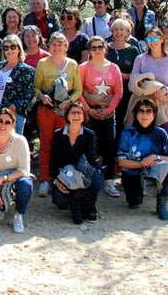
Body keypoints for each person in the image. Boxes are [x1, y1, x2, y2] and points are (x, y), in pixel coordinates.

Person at [33, 32, 83, 196]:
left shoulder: (72, 64)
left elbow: (78, 89)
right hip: (47, 109)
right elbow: (36, 87)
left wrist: (70, 101)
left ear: (66, 47)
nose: (57, 48)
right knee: (46, 143)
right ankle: (45, 179)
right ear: (49, 46)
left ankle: (63, 177)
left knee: (64, 144)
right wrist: (42, 96)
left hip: (65, 111)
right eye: (54, 44)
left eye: (60, 45)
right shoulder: (42, 64)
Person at [79, 35, 124, 198]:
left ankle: (109, 180)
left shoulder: (114, 68)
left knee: (109, 146)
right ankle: (88, 176)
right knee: (88, 145)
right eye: (93, 48)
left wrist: (108, 110)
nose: (97, 50)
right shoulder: (83, 67)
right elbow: (78, 90)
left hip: (107, 113)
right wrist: (88, 110)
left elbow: (118, 92)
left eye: (100, 47)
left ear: (106, 48)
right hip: (88, 113)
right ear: (89, 50)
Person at [49, 102, 103, 225]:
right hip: (64, 174)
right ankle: (78, 201)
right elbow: (53, 162)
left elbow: (91, 160)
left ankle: (89, 205)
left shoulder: (89, 134)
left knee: (97, 179)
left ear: (84, 117)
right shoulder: (58, 134)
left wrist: (97, 171)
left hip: (82, 171)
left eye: (79, 113)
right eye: (73, 112)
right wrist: (56, 180)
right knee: (60, 203)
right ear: (67, 115)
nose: (76, 115)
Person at [116, 98, 168, 218]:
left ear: (154, 114)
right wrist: (141, 164)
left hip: (154, 172)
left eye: (148, 111)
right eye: (141, 111)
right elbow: (121, 161)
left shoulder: (160, 134)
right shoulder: (128, 133)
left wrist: (155, 157)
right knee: (134, 203)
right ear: (136, 114)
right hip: (133, 173)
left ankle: (162, 202)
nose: (144, 115)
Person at [0, 34, 37, 134]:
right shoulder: (0, 66)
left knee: (14, 144)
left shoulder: (26, 70)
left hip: (15, 113)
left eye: (12, 47)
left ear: (19, 49)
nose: (9, 50)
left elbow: (29, 94)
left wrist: (13, 106)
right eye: (6, 48)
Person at [127, 26, 168, 133]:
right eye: (149, 40)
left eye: (155, 39)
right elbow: (132, 83)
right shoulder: (140, 59)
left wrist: (164, 90)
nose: (152, 42)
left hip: (163, 103)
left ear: (162, 39)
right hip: (143, 104)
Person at [107, 17, 141, 139]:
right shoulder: (105, 48)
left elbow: (139, 73)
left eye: (122, 29)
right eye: (115, 29)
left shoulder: (133, 50)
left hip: (127, 92)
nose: (118, 32)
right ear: (111, 31)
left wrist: (124, 76)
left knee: (124, 121)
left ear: (128, 32)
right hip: (107, 91)